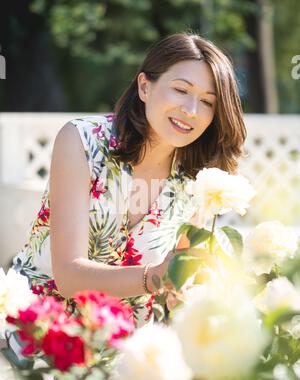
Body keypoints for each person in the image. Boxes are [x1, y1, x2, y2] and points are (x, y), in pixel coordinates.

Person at [11, 31, 246, 324]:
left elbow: (176, 281)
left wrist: (185, 288)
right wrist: (155, 277)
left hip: (130, 344)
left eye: (208, 102)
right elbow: (69, 277)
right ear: (145, 87)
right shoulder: (83, 141)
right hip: (43, 329)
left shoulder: (197, 180)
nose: (191, 110)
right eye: (181, 90)